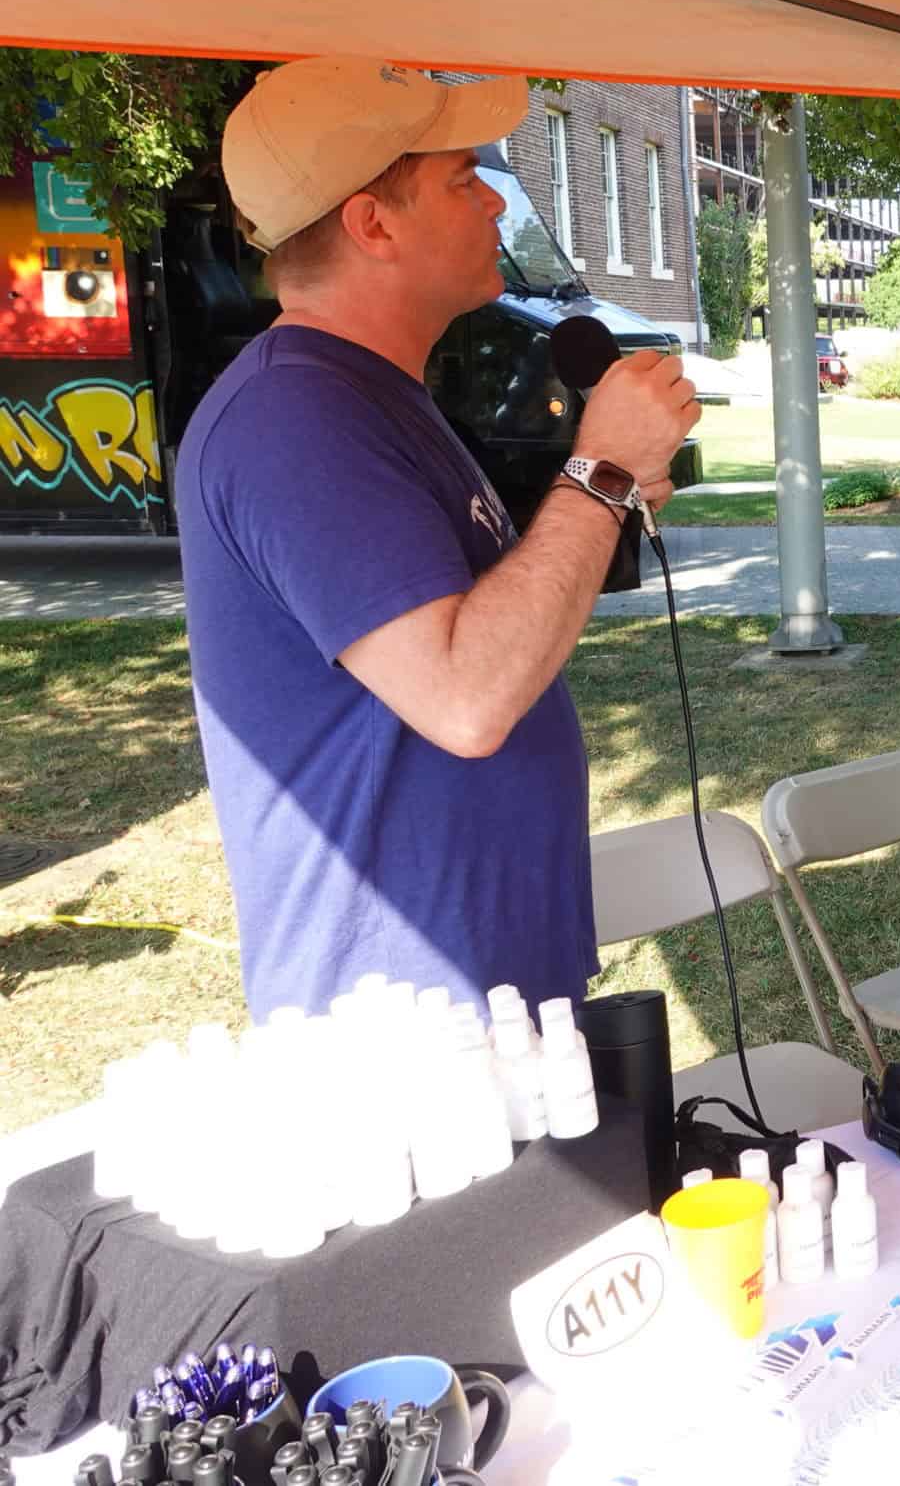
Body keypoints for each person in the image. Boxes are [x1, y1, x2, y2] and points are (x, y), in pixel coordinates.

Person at [180, 57, 699, 1019]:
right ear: (372, 224)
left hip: (478, 981)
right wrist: (597, 475)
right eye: (465, 180)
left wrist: (607, 492)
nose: (497, 207)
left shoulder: (372, 397)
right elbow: (466, 699)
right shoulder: (294, 416)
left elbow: (485, 625)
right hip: (406, 1020)